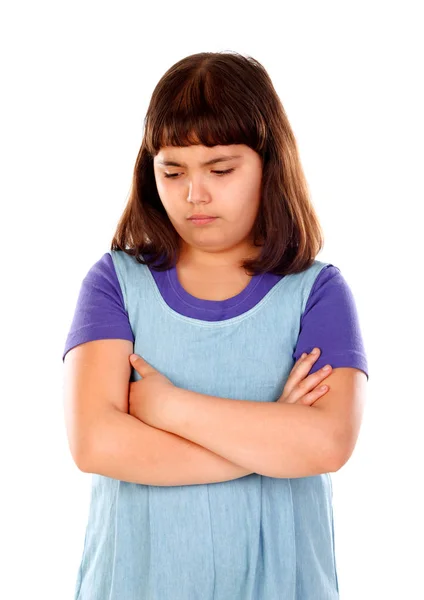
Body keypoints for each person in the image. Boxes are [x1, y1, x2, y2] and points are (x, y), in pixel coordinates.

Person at [62, 51, 369, 600]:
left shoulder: (316, 292)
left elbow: (326, 442)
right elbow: (95, 442)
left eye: (221, 170)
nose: (194, 194)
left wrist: (167, 408)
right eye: (172, 171)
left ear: (267, 164)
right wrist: (269, 442)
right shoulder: (115, 283)